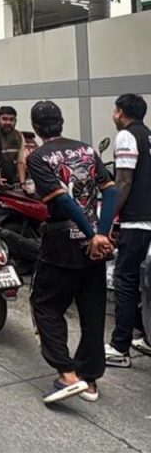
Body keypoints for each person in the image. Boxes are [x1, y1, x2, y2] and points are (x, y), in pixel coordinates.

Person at [26, 101, 117, 403]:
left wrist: (93, 236)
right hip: (94, 245)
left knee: (45, 305)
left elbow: (63, 200)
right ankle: (89, 379)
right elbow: (111, 190)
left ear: (35, 127)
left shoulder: (38, 156)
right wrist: (102, 234)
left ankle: (67, 374)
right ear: (61, 121)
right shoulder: (87, 150)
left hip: (63, 241)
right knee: (92, 310)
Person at [106, 94, 151, 366]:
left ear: (121, 112)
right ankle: (145, 336)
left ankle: (119, 347)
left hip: (136, 222)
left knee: (125, 280)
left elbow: (123, 181)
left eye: (115, 110)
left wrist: (108, 220)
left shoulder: (126, 136)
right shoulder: (148, 136)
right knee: (144, 285)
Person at [0, 105, 27, 186]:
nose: (8, 122)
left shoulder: (18, 136)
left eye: (11, 119)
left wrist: (22, 183)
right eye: (4, 119)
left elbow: (20, 162)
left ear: (15, 121)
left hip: (10, 177)